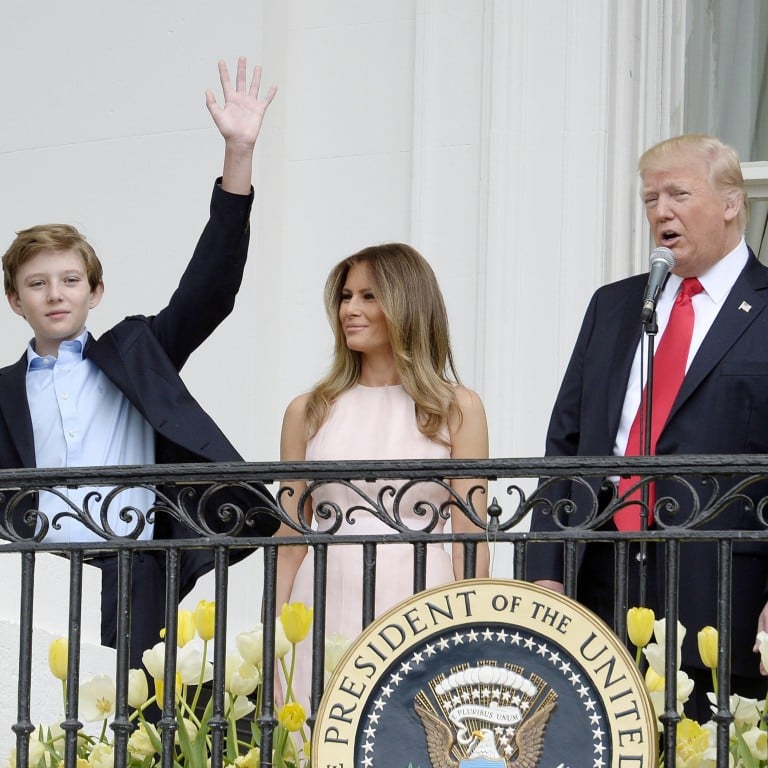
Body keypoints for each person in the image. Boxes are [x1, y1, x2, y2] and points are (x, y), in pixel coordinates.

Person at [0, 58, 279, 667]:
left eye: (70, 280)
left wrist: (238, 156)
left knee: (134, 716)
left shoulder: (136, 352)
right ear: (16, 301)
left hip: (133, 572)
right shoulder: (2, 391)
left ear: (95, 291)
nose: (55, 294)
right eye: (37, 284)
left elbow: (209, 289)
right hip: (31, 574)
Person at [526, 134, 768, 719]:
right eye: (650, 199)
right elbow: (566, 444)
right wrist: (546, 572)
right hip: (602, 576)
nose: (662, 212)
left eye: (679, 194)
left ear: (731, 202)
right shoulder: (615, 306)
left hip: (723, 588)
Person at [275, 243, 490, 707]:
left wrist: (470, 634)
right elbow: (289, 540)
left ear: (406, 304)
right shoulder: (307, 411)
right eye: (346, 296)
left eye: (368, 296)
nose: (349, 309)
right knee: (317, 730)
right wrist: (270, 639)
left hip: (423, 601)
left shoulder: (457, 408)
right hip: (323, 596)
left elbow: (469, 536)